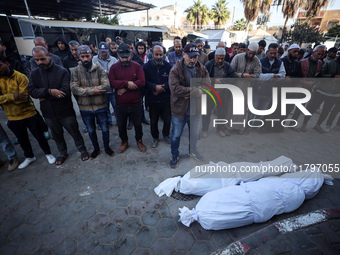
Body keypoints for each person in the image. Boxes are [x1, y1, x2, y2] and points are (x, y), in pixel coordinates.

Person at [28, 46, 89, 165]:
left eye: (42, 59)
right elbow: (32, 91)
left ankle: (82, 150)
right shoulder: (34, 73)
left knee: (74, 132)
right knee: (56, 135)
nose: (40, 62)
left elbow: (65, 92)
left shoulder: (62, 71)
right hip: (48, 112)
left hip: (65, 110)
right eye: (37, 60)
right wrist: (49, 92)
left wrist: (44, 96)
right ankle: (62, 153)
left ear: (49, 56)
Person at [0, 54, 56, 169]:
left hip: (29, 113)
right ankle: (29, 157)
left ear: (6, 64)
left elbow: (24, 97)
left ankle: (48, 154)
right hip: (13, 116)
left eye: (0, 65)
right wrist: (13, 96)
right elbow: (15, 97)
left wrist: (5, 98)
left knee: (39, 136)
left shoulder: (20, 77)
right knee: (22, 139)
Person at [168, 43, 209, 168]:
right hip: (180, 110)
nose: (193, 60)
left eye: (195, 57)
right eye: (190, 57)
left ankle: (193, 151)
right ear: (184, 55)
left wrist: (188, 92)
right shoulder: (175, 69)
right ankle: (174, 154)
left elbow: (207, 84)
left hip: (195, 109)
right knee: (176, 135)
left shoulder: (201, 68)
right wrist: (196, 91)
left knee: (194, 134)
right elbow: (175, 89)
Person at [70, 45, 114, 158]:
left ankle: (107, 147)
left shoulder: (99, 69)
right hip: (85, 108)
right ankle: (96, 148)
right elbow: (74, 88)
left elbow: (106, 86)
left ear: (92, 56)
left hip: (101, 105)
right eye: (82, 56)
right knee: (91, 130)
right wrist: (92, 90)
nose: (85, 59)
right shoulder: (75, 71)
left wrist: (84, 90)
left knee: (104, 129)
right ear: (79, 57)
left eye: (87, 56)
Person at [109, 43, 147, 153]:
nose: (125, 59)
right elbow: (112, 83)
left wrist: (125, 88)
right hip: (121, 104)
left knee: (138, 125)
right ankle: (124, 141)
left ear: (131, 54)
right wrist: (128, 83)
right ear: (118, 55)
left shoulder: (137, 66)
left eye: (127, 56)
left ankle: (139, 140)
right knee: (121, 125)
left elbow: (142, 82)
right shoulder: (114, 68)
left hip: (136, 103)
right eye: (122, 57)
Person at [246, 43, 286, 134]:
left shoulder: (280, 62)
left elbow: (283, 76)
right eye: (271, 53)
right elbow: (258, 76)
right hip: (258, 90)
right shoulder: (260, 61)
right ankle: (248, 127)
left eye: (275, 53)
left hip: (270, 91)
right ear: (267, 52)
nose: (273, 55)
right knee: (253, 110)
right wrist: (273, 76)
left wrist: (269, 77)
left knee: (263, 111)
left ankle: (256, 126)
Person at [202, 47, 236, 138]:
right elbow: (203, 78)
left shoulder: (227, 66)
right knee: (207, 112)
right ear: (214, 56)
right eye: (218, 58)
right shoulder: (208, 65)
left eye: (222, 58)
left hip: (222, 93)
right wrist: (214, 81)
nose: (220, 60)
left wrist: (223, 81)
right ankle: (204, 129)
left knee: (221, 112)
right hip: (210, 92)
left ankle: (219, 129)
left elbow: (233, 77)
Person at [143, 45, 172, 148]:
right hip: (152, 99)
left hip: (166, 99)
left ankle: (166, 135)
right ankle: (155, 137)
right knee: (153, 120)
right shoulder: (146, 67)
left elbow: (172, 81)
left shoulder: (169, 66)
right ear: (152, 54)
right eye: (157, 54)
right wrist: (154, 87)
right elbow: (144, 81)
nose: (159, 57)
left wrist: (162, 88)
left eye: (161, 54)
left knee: (167, 120)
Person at [229, 42, 261, 135]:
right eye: (250, 53)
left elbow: (257, 74)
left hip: (248, 86)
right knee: (232, 106)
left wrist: (250, 76)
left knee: (243, 108)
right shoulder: (238, 57)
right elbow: (231, 72)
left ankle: (238, 127)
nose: (251, 55)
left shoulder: (256, 60)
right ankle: (228, 126)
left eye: (253, 54)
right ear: (247, 50)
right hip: (236, 84)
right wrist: (242, 74)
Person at [298, 45, 329, 133]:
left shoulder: (320, 63)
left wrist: (313, 83)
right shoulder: (303, 62)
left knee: (301, 106)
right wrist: (305, 82)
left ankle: (297, 124)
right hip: (300, 86)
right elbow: (298, 75)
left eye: (322, 55)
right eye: (318, 54)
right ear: (313, 52)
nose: (319, 56)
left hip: (309, 88)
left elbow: (319, 75)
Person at [93, 42, 118, 126]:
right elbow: (93, 72)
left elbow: (116, 73)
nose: (104, 53)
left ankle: (119, 122)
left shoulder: (114, 60)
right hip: (101, 89)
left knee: (116, 107)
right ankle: (108, 122)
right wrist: (105, 72)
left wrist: (106, 72)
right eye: (102, 51)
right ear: (99, 50)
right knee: (105, 108)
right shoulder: (94, 59)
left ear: (108, 51)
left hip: (112, 89)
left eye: (105, 51)